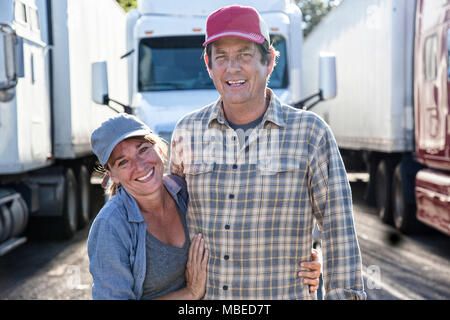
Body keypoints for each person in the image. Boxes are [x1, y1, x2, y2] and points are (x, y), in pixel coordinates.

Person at [170, 5, 367, 299]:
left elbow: (339, 230)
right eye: (221, 57)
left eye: (244, 55)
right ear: (209, 67)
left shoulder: (310, 133)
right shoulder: (186, 132)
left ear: (270, 61)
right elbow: (168, 220)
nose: (232, 68)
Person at [87, 113, 321, 299]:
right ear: (113, 175)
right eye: (123, 162)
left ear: (158, 149)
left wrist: (303, 260)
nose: (139, 165)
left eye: (143, 149)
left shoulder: (187, 192)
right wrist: (189, 294)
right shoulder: (112, 226)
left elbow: (245, 224)